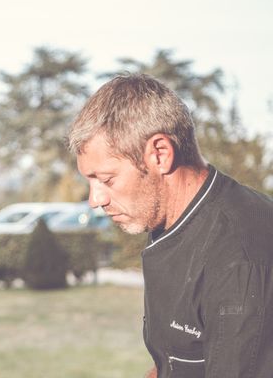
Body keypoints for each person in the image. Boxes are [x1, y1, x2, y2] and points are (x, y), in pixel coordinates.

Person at [67, 73, 273, 377]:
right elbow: (178, 360)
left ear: (160, 154)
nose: (94, 200)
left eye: (107, 179)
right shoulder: (173, 224)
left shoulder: (240, 258)